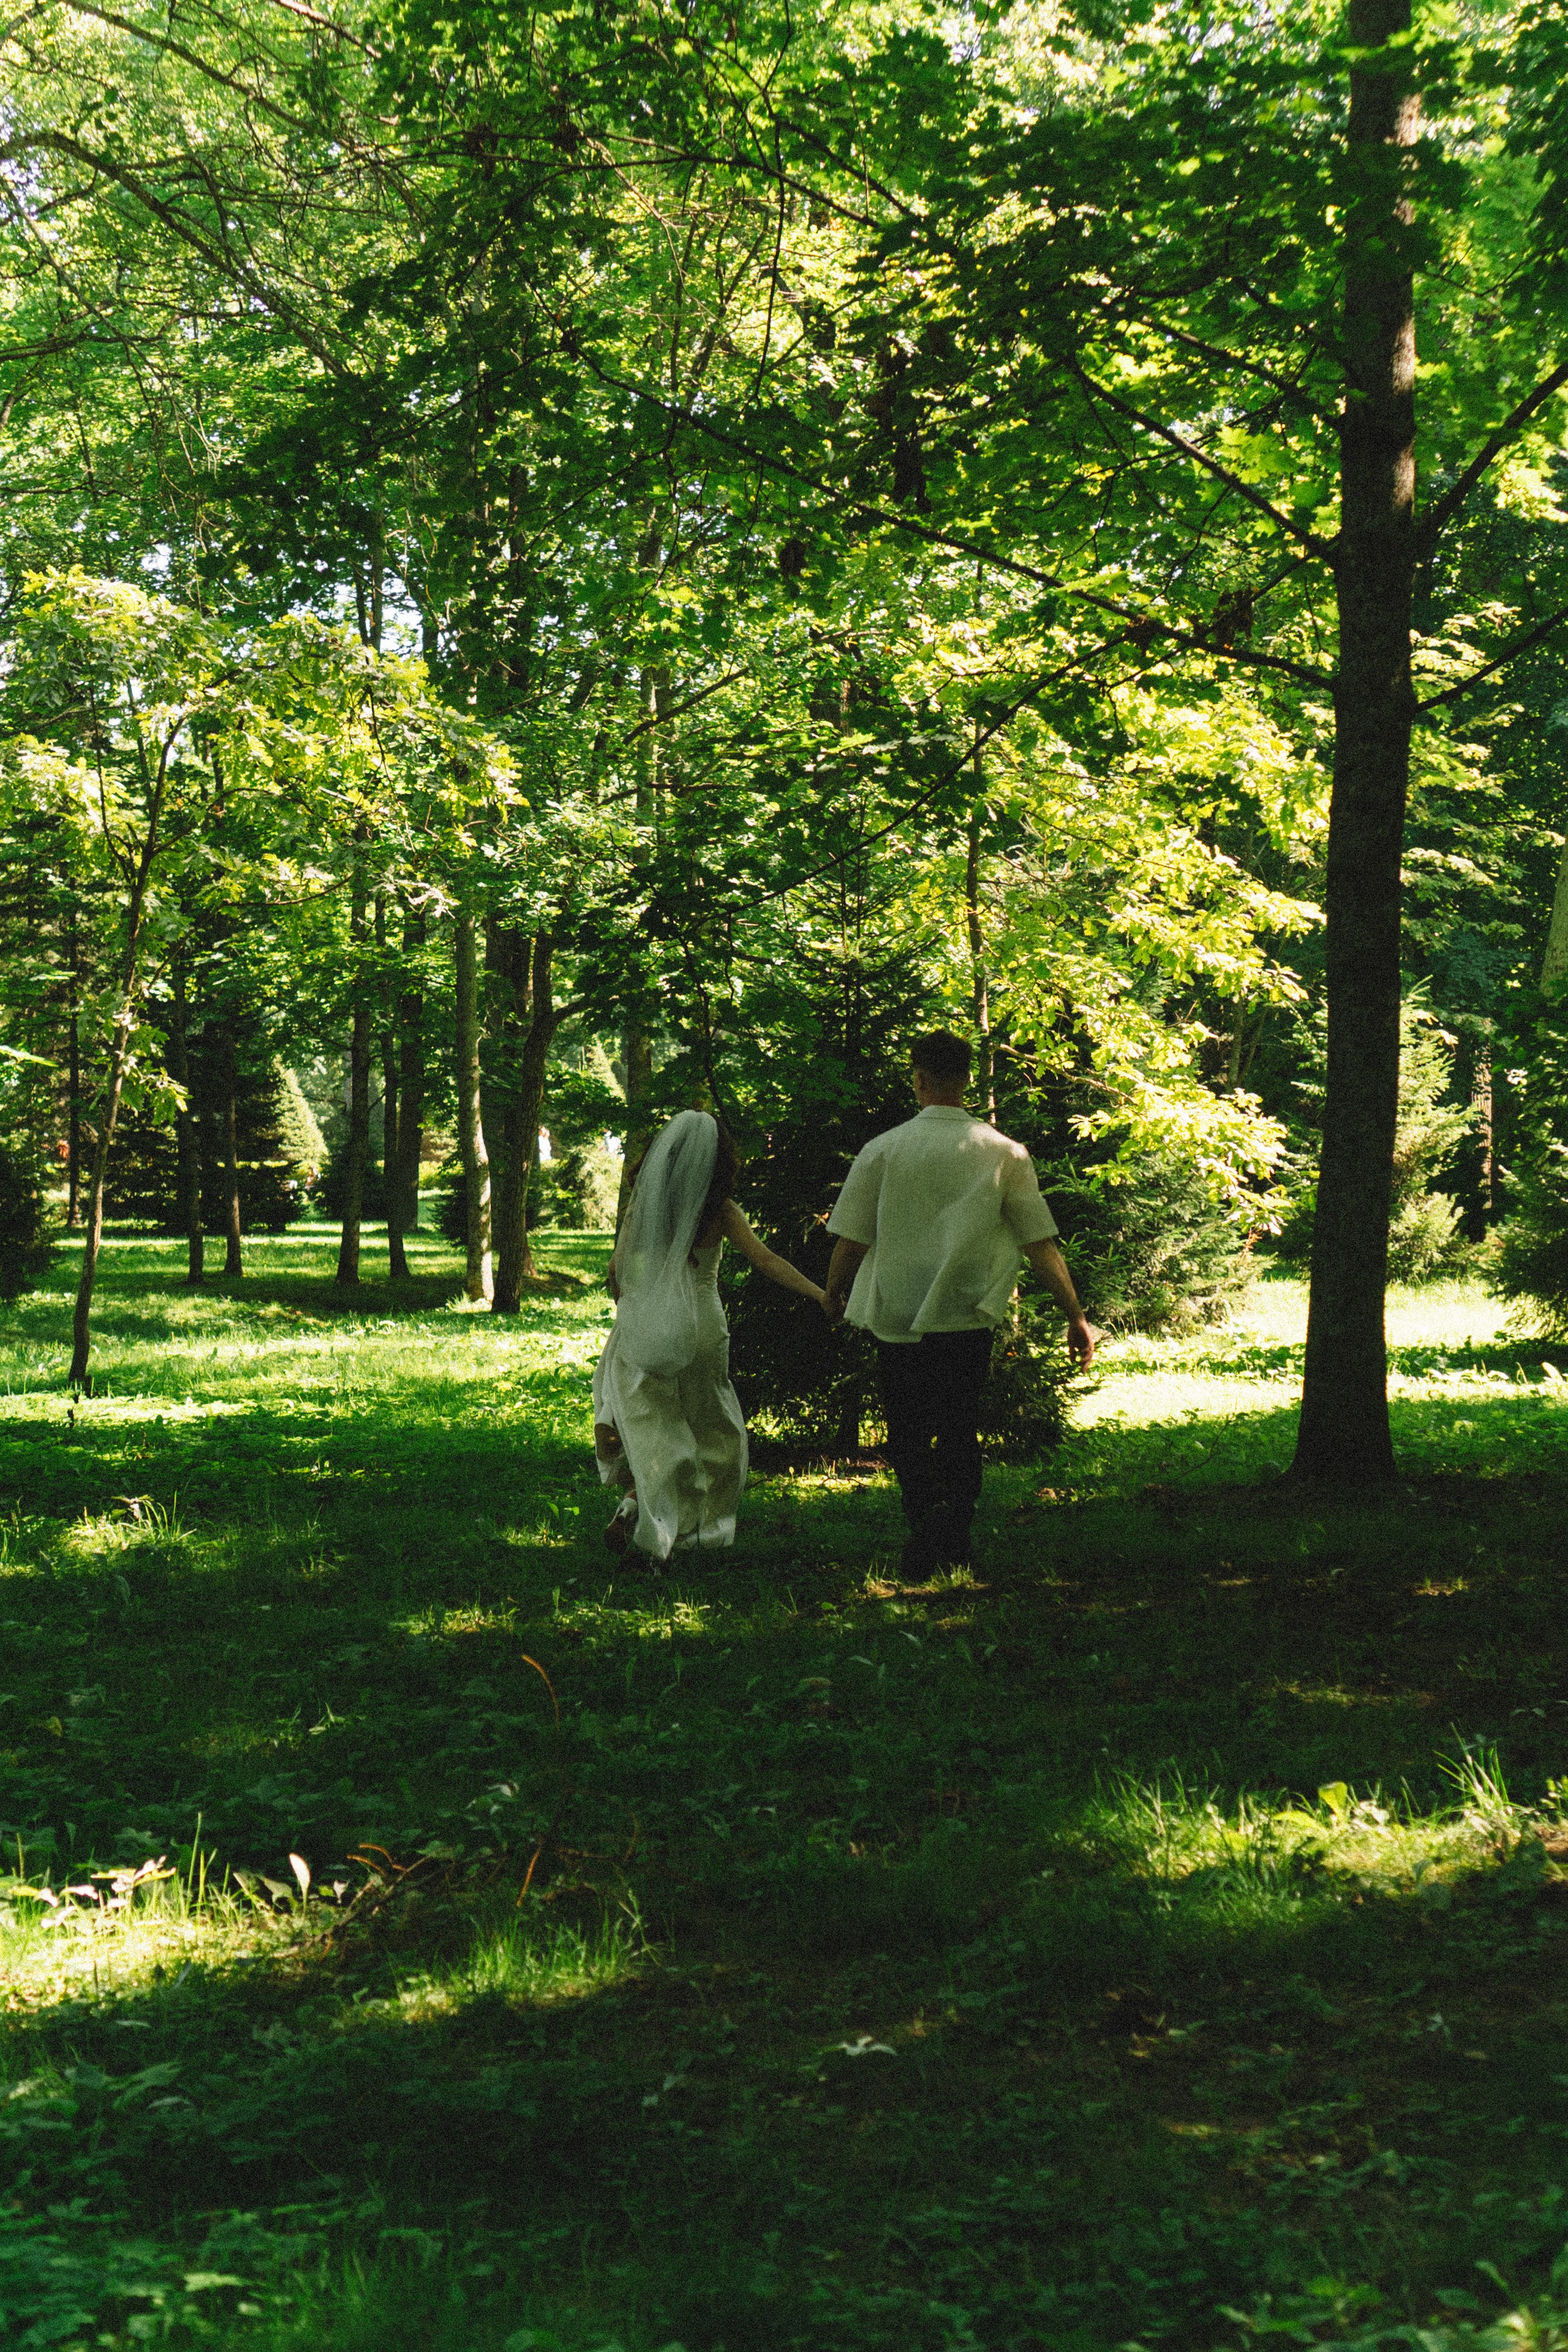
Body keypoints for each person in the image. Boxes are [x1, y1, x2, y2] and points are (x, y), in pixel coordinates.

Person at [822, 1030, 1094, 1570]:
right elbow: (1040, 1243)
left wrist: (833, 1292)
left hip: (897, 1310)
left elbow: (851, 1239)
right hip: (966, 1312)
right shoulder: (1004, 1153)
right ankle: (955, 1533)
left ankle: (925, 1529)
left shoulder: (883, 1150)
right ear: (968, 1080)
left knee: (907, 1428)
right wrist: (1076, 1316)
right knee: (958, 1425)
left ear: (919, 1080)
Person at [592, 1109, 825, 1560]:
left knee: (656, 1426)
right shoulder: (721, 1212)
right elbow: (767, 1260)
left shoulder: (646, 1209)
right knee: (713, 1431)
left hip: (653, 1325)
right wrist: (819, 1295)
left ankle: (640, 1509)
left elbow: (615, 1270)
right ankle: (703, 1529)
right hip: (703, 1328)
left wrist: (637, 1311)